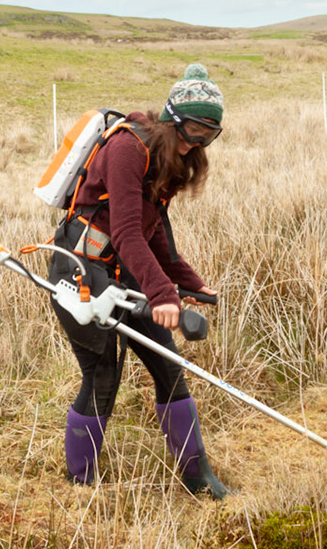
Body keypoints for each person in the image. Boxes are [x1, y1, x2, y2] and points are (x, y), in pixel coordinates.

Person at [51, 63, 230, 499]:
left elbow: (155, 230)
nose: (196, 142)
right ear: (171, 118)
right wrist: (163, 294)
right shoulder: (129, 149)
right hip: (82, 270)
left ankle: (198, 478)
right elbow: (127, 231)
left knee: (169, 368)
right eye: (191, 128)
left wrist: (189, 282)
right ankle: (80, 483)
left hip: (125, 270)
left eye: (208, 134)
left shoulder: (167, 156)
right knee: (104, 376)